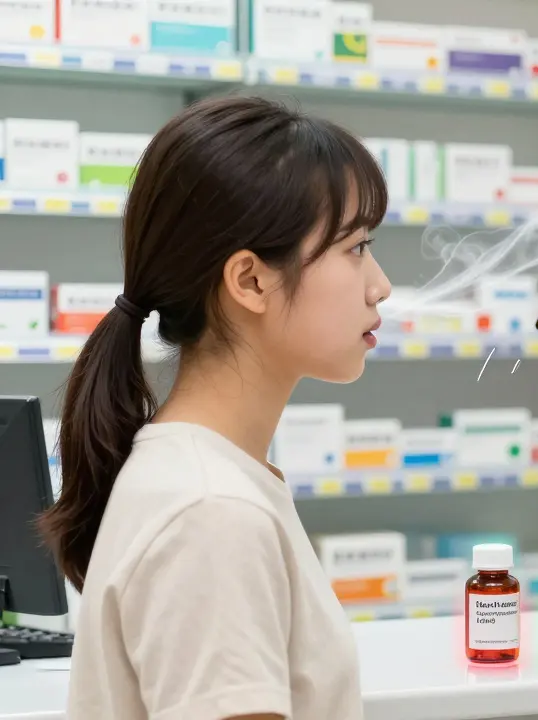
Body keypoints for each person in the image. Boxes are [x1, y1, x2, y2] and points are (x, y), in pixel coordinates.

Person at [38, 96, 392, 720]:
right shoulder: (212, 512)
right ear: (250, 281)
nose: (380, 284)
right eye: (356, 247)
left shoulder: (203, 479)